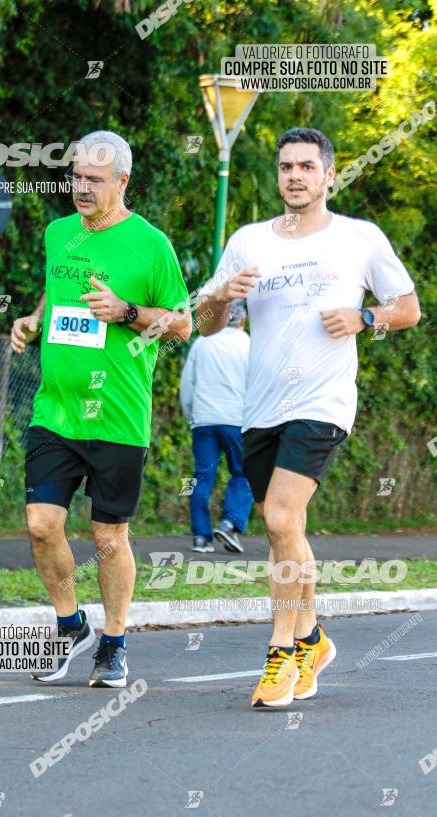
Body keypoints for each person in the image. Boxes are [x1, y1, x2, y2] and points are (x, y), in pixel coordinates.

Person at [197, 127, 421, 708]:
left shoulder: (359, 238)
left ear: (328, 175)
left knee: (277, 512)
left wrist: (366, 319)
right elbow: (206, 325)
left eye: (305, 166)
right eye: (285, 167)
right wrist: (222, 294)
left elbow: (409, 307)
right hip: (260, 407)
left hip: (322, 403)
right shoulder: (249, 241)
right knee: (284, 529)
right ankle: (313, 638)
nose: (294, 176)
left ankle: (281, 654)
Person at [10, 130, 191, 688]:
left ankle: (113, 642)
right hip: (56, 410)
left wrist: (128, 310)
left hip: (118, 414)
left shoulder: (150, 244)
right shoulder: (57, 233)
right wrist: (35, 318)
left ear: (122, 182)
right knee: (42, 525)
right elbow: (57, 287)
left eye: (94, 179)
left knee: (109, 537)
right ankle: (71, 625)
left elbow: (183, 324)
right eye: (75, 176)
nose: (80, 187)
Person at [179, 298, 253, 553]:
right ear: (242, 319)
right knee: (244, 473)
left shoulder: (202, 343)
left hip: (203, 421)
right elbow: (258, 387)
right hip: (238, 422)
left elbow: (187, 386)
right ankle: (230, 522)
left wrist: (192, 416)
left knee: (202, 477)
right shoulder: (249, 345)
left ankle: (201, 538)